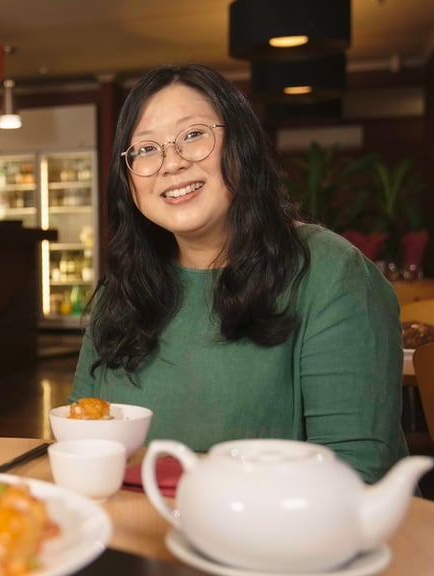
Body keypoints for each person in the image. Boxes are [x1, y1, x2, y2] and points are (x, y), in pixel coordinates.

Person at [71, 63, 407, 483]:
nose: (170, 163)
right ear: (128, 178)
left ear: (241, 146)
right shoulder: (121, 291)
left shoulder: (332, 274)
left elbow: (355, 474)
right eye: (146, 148)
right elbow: (80, 442)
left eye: (193, 135)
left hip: (270, 540)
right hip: (126, 535)